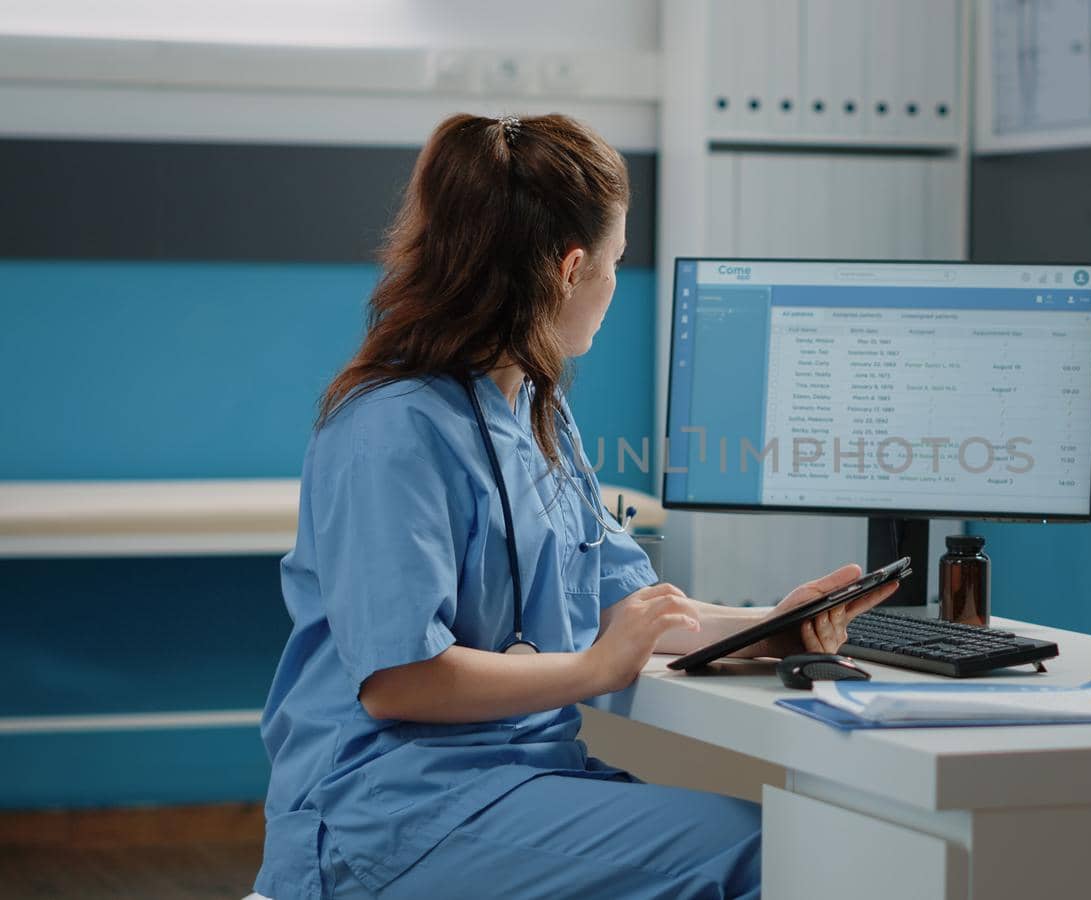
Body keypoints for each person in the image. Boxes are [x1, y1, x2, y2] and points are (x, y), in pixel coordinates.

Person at [252, 112, 896, 899]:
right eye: (617, 264)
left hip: (511, 778)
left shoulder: (536, 409)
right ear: (570, 267)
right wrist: (593, 670)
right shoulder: (392, 429)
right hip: (392, 812)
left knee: (781, 837)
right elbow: (399, 681)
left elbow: (625, 602)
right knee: (766, 853)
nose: (614, 287)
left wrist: (769, 628)